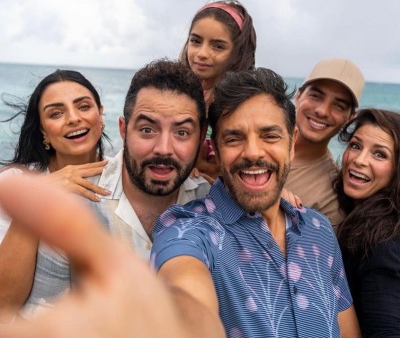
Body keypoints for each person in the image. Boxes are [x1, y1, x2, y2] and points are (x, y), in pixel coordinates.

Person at [151, 68, 360, 337]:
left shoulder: (318, 229)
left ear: (292, 143)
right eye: (234, 138)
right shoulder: (189, 230)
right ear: (215, 148)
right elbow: (185, 288)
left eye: (270, 135)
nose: (252, 152)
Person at [10, 59, 210, 318]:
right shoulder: (71, 206)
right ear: (123, 130)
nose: (163, 148)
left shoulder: (210, 203)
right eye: (147, 130)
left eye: (182, 133)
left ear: (201, 136)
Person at [0, 69, 110, 321]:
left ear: (100, 115)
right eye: (56, 113)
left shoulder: (124, 178)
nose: (73, 118)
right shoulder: (16, 183)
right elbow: (4, 303)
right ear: (42, 131)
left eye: (83, 106)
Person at [335, 108, 400, 337]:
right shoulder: (362, 219)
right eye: (355, 145)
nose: (359, 160)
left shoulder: (382, 245)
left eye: (380, 154)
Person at [180, 0, 257, 182]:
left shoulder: (239, 107)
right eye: (196, 41)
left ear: (237, 54)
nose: (203, 53)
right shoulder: (179, 93)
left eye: (218, 46)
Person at [285, 58, 365, 229]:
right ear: (298, 96)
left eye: (338, 106)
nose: (322, 111)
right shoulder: (255, 139)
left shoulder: (331, 199)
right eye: (315, 96)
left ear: (350, 117)